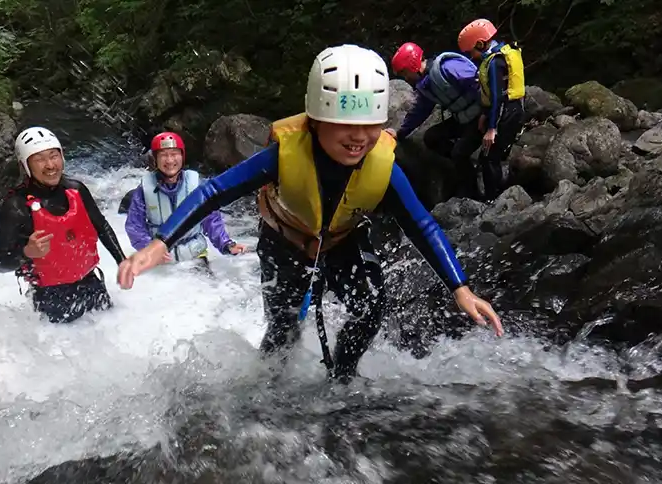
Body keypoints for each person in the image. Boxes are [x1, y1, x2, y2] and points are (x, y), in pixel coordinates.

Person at [117, 44, 504, 383]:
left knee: (369, 309)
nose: (359, 138)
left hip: (342, 241)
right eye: (344, 125)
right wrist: (159, 242)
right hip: (284, 243)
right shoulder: (285, 155)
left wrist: (460, 287)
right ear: (317, 120)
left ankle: (342, 374)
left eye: (370, 125)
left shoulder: (384, 167)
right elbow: (215, 191)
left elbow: (421, 224)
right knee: (283, 329)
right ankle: (267, 385)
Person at [0, 126, 127, 323]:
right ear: (26, 165)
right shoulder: (16, 206)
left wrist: (122, 261)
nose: (50, 165)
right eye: (39, 159)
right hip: (50, 297)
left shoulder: (77, 189)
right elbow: (0, 263)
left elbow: (102, 226)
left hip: (91, 284)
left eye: (54, 156)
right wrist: (27, 252)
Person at [124, 131, 245, 270]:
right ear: (155, 159)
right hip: (160, 259)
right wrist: (149, 249)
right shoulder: (144, 189)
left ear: (182, 156)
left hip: (194, 255)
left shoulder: (196, 184)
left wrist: (227, 244)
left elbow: (211, 220)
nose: (169, 161)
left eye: (174, 154)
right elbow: (134, 226)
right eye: (164, 155)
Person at [388, 42, 484, 200]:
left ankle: (473, 193)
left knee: (459, 153)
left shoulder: (447, 67)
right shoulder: (426, 84)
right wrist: (400, 133)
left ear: (413, 65)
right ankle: (464, 165)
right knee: (432, 138)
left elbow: (480, 84)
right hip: (463, 118)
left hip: (480, 116)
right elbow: (419, 112)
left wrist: (488, 115)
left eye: (405, 72)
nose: (406, 77)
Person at [458, 18, 526, 201]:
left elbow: (497, 96)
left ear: (480, 44)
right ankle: (496, 195)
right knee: (490, 156)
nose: (471, 56)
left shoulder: (495, 63)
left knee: (489, 158)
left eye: (471, 51)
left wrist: (491, 129)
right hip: (510, 110)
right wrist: (484, 115)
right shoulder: (503, 53)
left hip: (508, 112)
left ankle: (493, 200)